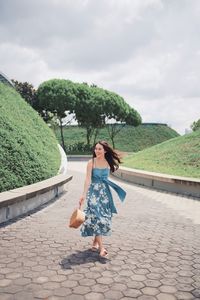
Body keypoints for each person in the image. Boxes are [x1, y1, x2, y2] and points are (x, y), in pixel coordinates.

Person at [79, 140, 126, 258]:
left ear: (105, 150)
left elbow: (106, 178)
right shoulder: (91, 162)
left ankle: (95, 241)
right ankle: (102, 248)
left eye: (99, 149)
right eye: (96, 149)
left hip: (105, 194)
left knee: (102, 218)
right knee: (97, 217)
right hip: (93, 194)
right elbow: (87, 180)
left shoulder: (108, 163)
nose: (97, 151)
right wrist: (83, 195)